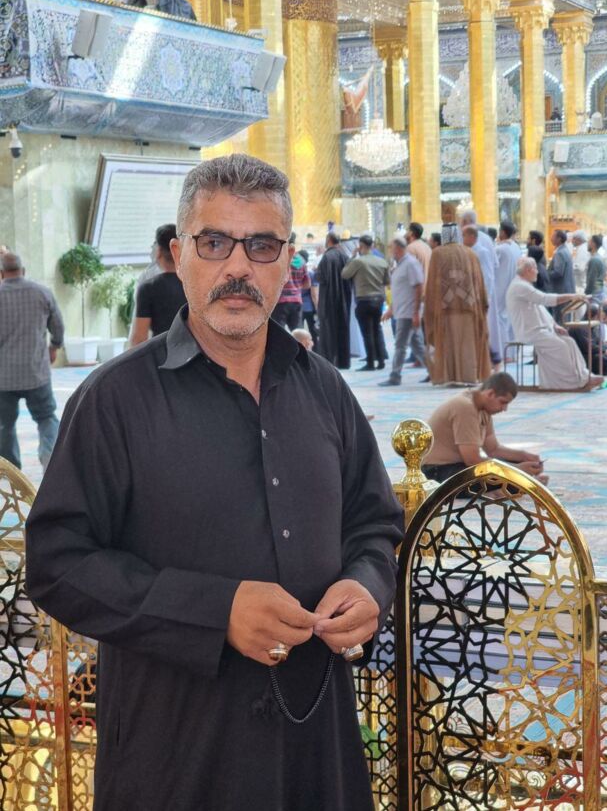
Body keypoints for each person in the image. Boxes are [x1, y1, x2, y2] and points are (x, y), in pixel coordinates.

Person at [25, 154, 404, 811]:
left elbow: (373, 523)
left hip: (316, 747)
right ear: (180, 256)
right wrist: (214, 611)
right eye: (215, 242)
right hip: (177, 752)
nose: (238, 267)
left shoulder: (324, 390)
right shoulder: (116, 400)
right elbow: (57, 563)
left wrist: (368, 584)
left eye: (261, 246)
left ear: (286, 261)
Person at [421, 372, 547, 485]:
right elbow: (472, 460)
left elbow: (493, 449)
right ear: (490, 393)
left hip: (456, 466)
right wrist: (518, 470)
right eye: (503, 402)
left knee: (511, 468)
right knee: (511, 477)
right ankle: (512, 487)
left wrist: (523, 456)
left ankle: (513, 485)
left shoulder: (483, 408)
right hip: (437, 471)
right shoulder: (465, 407)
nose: (504, 409)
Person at [0, 252, 64, 470]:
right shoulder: (42, 292)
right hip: (36, 372)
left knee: (4, 425)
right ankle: (50, 460)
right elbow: (58, 326)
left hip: (4, 377)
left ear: (1, 273)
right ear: (23, 271)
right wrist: (54, 347)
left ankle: (12, 471)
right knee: (46, 418)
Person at [506, 256, 603, 390]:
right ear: (528, 270)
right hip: (530, 332)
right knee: (560, 346)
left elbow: (541, 308)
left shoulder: (524, 285)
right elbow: (545, 299)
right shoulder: (520, 286)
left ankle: (583, 376)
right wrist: (571, 296)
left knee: (569, 342)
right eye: (535, 269)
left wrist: (554, 325)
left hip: (539, 330)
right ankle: (571, 382)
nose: (538, 272)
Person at [424, 236, 491, 385]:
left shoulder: (437, 253)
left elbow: (432, 284)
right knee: (468, 347)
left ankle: (450, 376)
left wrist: (430, 308)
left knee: (449, 345)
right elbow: (479, 282)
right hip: (469, 309)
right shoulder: (470, 253)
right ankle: (469, 375)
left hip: (445, 309)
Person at [379, 236, 425, 387]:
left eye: (391, 248)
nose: (390, 251)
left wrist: (415, 312)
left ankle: (395, 376)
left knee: (400, 346)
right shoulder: (400, 265)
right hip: (402, 311)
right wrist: (391, 309)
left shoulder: (411, 263)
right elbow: (399, 290)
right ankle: (436, 372)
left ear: (398, 248)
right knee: (417, 345)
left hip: (408, 312)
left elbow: (418, 287)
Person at [130, 223, 187, 345]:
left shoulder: (148, 288)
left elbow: (139, 338)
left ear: (159, 251)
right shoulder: (193, 285)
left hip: (161, 353)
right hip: (194, 354)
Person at [460, 210, 502, 368]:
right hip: (473, 296)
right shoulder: (486, 239)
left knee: (482, 330)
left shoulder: (481, 248)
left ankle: (493, 360)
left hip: (481, 296)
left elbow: (488, 275)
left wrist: (485, 298)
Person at [342, 234, 389, 371]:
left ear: (361, 246)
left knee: (367, 331)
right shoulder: (382, 261)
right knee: (377, 329)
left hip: (364, 299)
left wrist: (352, 256)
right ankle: (381, 360)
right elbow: (386, 281)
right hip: (378, 299)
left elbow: (345, 274)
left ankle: (370, 362)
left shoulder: (358, 262)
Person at [315, 231, 351, 369]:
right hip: (344, 299)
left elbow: (320, 277)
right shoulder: (345, 256)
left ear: (329, 240)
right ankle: (344, 361)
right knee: (343, 329)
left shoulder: (326, 257)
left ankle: (328, 363)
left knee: (328, 332)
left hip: (328, 299)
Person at [272, 236, 310, 331]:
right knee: (298, 332)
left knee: (278, 333)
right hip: (296, 300)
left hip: (280, 301)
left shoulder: (279, 259)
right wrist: (297, 287)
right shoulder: (302, 261)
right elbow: (307, 284)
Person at [495, 219, 522, 348]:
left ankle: (503, 350)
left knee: (500, 320)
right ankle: (511, 352)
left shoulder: (500, 249)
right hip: (513, 288)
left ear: (503, 232)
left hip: (500, 289)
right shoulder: (516, 247)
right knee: (510, 321)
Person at [547, 229, 576, 323]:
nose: (551, 238)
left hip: (561, 290)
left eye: (553, 236)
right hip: (566, 289)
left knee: (561, 320)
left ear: (559, 239)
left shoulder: (559, 253)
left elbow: (558, 272)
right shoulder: (565, 250)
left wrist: (546, 274)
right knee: (565, 319)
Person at [404, 221, 431, 301]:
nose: (405, 233)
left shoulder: (410, 248)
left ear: (411, 233)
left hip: (417, 293)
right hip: (428, 290)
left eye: (407, 230)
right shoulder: (427, 247)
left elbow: (409, 272)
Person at [297, 249, 318, 348]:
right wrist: (317, 307)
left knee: (299, 332)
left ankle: (301, 350)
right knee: (313, 330)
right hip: (309, 307)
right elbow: (314, 294)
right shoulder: (310, 274)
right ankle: (316, 350)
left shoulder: (295, 271)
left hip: (298, 306)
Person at [585, 234, 606, 301]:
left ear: (593, 244)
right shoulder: (598, 257)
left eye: (589, 242)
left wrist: (586, 294)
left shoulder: (594, 260)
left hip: (594, 294)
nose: (587, 244)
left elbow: (591, 280)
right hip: (598, 292)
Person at [571, 230, 590, 294]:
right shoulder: (580, 248)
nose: (572, 241)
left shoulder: (582, 249)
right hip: (579, 282)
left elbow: (580, 268)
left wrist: (569, 267)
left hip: (580, 283)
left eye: (573, 238)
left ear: (578, 239)